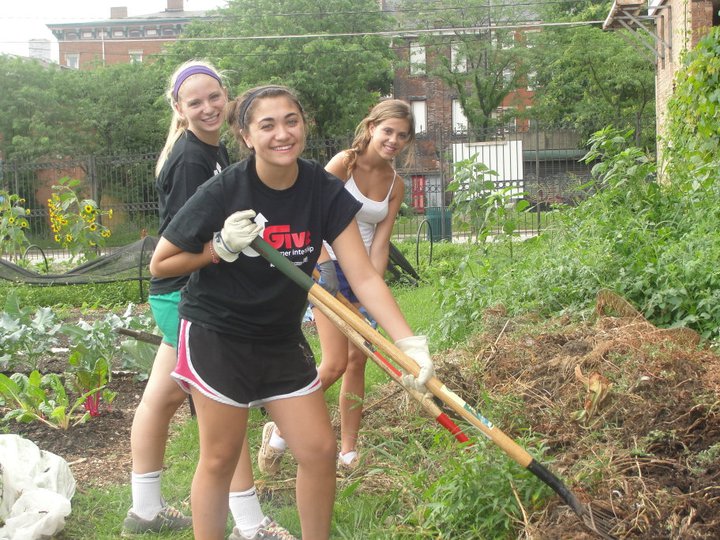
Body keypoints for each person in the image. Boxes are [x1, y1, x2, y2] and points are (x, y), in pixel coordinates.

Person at [148, 85, 434, 540]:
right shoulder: (225, 189)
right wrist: (218, 247)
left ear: (304, 125)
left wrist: (408, 343)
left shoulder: (321, 188)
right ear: (246, 136)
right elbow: (161, 263)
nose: (282, 134)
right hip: (217, 334)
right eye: (267, 125)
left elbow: (363, 275)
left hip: (279, 337)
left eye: (291, 121)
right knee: (220, 458)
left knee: (319, 451)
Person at [124, 61, 291, 540]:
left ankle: (145, 511)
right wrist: (221, 247)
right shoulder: (191, 158)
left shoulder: (209, 149)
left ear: (227, 95)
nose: (208, 108)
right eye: (195, 102)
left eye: (214, 97)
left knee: (161, 398)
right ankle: (249, 524)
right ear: (179, 108)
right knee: (223, 402)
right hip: (185, 293)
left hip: (181, 294)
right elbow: (180, 241)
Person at [257, 100, 415, 474]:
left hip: (362, 274)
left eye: (402, 136)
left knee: (358, 360)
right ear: (371, 127)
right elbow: (308, 217)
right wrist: (324, 268)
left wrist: (368, 294)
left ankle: (348, 452)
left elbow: (381, 243)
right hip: (325, 265)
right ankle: (279, 432)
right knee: (334, 363)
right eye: (388, 131)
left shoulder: (396, 185)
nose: (393, 140)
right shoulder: (344, 163)